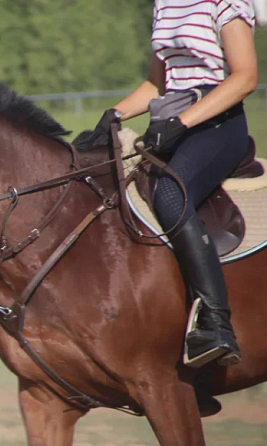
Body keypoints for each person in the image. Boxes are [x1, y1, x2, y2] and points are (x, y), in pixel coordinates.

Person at [74, 0, 258, 368]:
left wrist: (183, 122)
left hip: (217, 124)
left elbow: (245, 77)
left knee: (170, 193)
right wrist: (115, 114)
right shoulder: (164, 4)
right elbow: (159, 84)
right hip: (172, 122)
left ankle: (217, 323)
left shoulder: (225, 2)